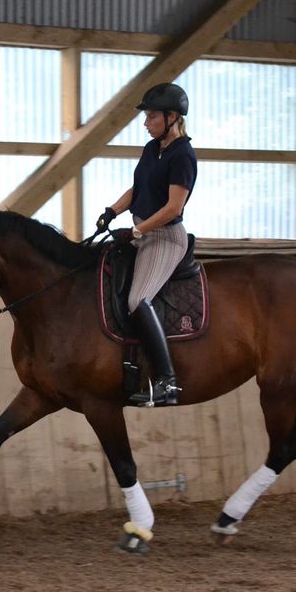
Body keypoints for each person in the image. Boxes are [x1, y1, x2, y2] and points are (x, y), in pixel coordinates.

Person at [96, 82, 197, 407]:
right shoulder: (151, 149)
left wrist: (138, 231)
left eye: (151, 116)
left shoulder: (183, 154)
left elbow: (173, 208)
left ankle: (167, 381)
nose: (146, 122)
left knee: (138, 299)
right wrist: (112, 211)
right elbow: (137, 189)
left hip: (165, 237)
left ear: (171, 117)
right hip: (141, 232)